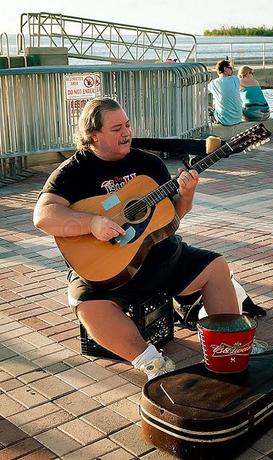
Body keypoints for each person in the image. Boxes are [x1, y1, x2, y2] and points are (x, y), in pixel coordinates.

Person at [32, 97, 242, 381]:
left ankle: (227, 347)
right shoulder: (74, 171)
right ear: (94, 135)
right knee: (86, 305)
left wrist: (187, 194)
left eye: (127, 124)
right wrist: (92, 222)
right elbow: (44, 216)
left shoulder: (148, 163)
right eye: (116, 128)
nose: (127, 132)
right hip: (109, 268)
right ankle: (150, 361)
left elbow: (172, 216)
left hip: (161, 256)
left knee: (216, 267)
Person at [208, 59, 242, 126]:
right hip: (238, 118)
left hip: (224, 120)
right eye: (230, 68)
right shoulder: (235, 79)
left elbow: (202, 92)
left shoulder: (214, 83)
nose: (232, 70)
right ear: (225, 69)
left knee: (209, 109)